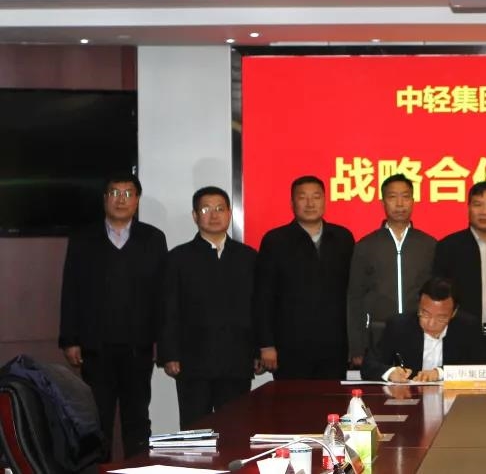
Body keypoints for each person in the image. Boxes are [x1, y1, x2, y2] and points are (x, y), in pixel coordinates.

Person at [58, 173, 167, 458]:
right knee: (97, 419)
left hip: (138, 346)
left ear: (137, 200)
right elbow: (71, 289)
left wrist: (164, 342)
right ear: (105, 199)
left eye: (128, 193)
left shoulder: (153, 238)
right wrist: (70, 339)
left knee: (138, 419)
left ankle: (138, 470)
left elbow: (162, 294)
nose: (121, 200)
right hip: (95, 346)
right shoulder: (84, 238)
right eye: (115, 193)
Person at [159, 187, 258, 427]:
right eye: (206, 209)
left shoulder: (248, 257)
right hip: (193, 362)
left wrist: (258, 350)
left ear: (230, 214)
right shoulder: (178, 258)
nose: (214, 215)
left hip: (237, 360)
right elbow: (167, 309)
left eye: (220, 209)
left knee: (235, 428)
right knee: (195, 429)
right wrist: (169, 354)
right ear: (195, 216)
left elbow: (258, 308)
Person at [255, 176, 355, 380]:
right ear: (292, 203)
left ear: (325, 201)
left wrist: (355, 345)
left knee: (331, 399)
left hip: (334, 346)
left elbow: (354, 294)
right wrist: (266, 344)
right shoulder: (275, 241)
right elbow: (263, 296)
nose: (310, 203)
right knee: (292, 400)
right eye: (303, 197)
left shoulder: (343, 238)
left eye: (316, 197)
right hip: (290, 346)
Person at [347, 174, 437, 367]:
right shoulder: (366, 245)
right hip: (378, 334)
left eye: (405, 196)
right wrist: (357, 347)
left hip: (419, 333)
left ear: (413, 201)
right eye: (392, 197)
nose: (399, 203)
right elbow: (355, 298)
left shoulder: (429, 245)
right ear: (383, 202)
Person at [433, 181, 486, 363]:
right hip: (462, 341)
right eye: (478, 204)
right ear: (468, 207)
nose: (484, 212)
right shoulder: (449, 247)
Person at [361, 277, 486, 382]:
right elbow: (369, 365)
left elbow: (484, 369)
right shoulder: (399, 326)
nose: (431, 324)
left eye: (441, 318)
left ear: (454, 313)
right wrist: (391, 372)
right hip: (410, 398)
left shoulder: (467, 327)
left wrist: (440, 373)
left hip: (455, 400)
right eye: (425, 314)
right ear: (419, 306)